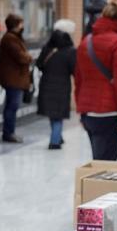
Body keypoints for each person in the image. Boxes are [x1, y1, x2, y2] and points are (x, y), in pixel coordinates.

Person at [76, 0, 117, 161]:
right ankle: (97, 187)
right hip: (110, 112)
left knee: (98, 161)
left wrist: (81, 110)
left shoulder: (86, 42)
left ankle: (94, 186)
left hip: (89, 112)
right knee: (106, 165)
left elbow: (79, 80)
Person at [36, 20, 78, 150]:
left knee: (53, 114)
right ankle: (54, 141)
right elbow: (74, 69)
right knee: (58, 115)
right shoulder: (70, 51)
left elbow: (39, 64)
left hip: (46, 84)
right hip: (62, 86)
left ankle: (57, 136)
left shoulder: (48, 48)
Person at [0, 14, 32, 144]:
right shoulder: (10, 39)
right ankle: (8, 133)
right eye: (21, 24)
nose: (22, 26)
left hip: (15, 78)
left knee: (12, 106)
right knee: (12, 106)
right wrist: (29, 57)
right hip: (13, 79)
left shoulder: (14, 38)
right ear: (16, 25)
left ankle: (10, 132)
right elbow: (22, 57)